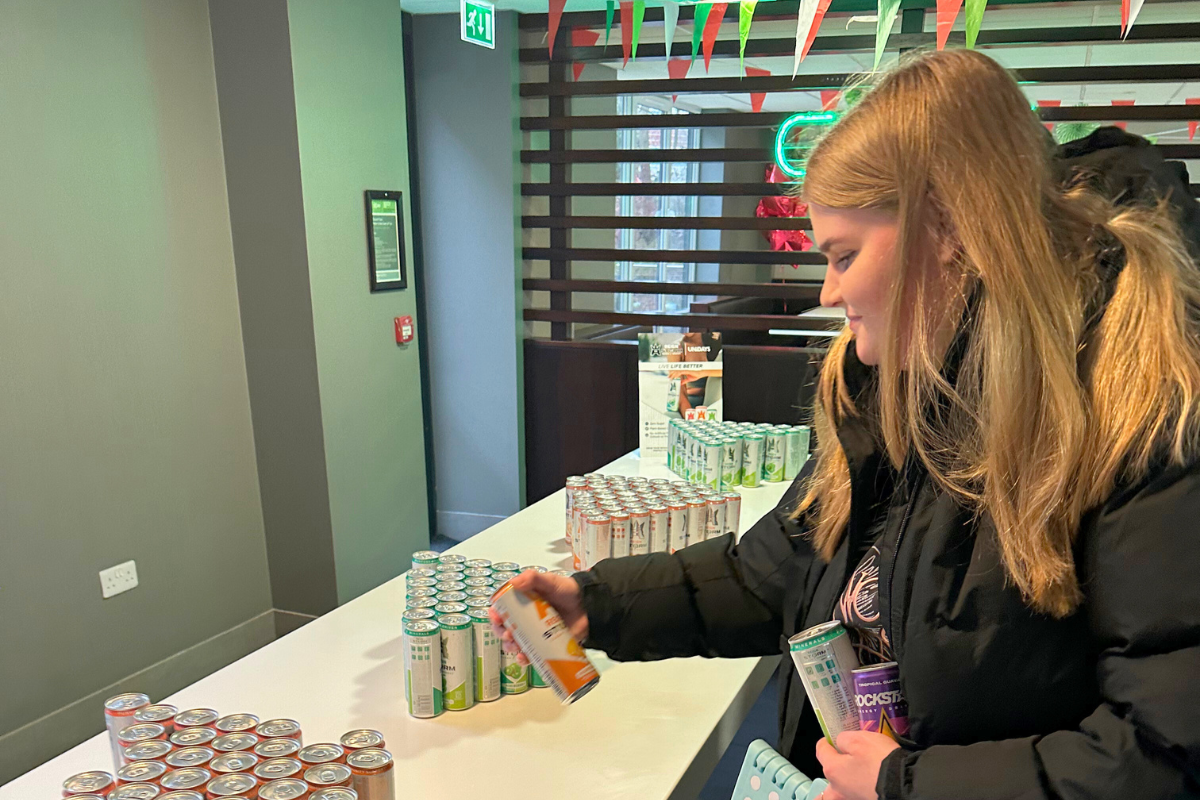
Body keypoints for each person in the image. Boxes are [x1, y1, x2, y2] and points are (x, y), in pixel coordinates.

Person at [494, 49, 1200, 800]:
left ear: (950, 226)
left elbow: (1164, 751)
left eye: (844, 255)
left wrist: (907, 785)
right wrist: (596, 604)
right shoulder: (888, 392)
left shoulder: (1144, 413)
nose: (829, 291)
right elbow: (773, 573)